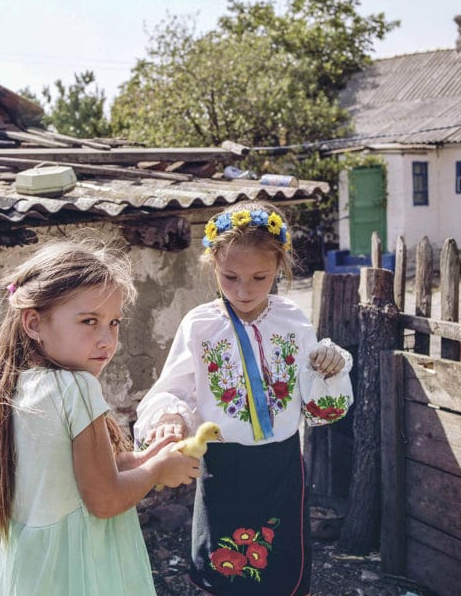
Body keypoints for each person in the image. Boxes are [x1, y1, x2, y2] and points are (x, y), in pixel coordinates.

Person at [134, 201, 353, 596]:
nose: (244, 289)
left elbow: (319, 406)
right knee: (224, 568)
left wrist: (331, 367)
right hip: (224, 469)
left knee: (283, 564)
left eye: (259, 276)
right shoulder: (200, 326)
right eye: (230, 276)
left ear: (280, 268)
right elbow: (172, 387)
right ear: (212, 265)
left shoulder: (293, 322)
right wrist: (171, 416)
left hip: (282, 465)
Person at [0, 239, 201, 596]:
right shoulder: (76, 390)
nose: (107, 339)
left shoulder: (19, 385)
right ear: (33, 323)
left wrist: (137, 459)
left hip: (39, 570)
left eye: (114, 322)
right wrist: (157, 471)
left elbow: (66, 477)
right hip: (82, 569)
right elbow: (104, 501)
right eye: (89, 321)